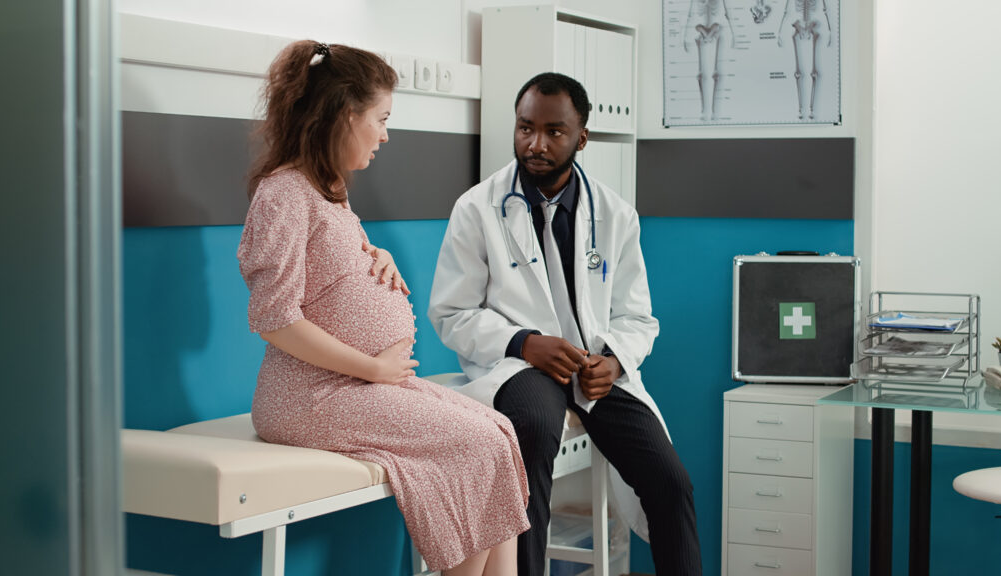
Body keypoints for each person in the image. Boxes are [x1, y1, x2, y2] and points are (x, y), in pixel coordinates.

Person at [237, 40, 529, 576]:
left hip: (356, 387)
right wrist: (374, 366)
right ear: (346, 115)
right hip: (310, 396)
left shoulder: (327, 189)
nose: (386, 135)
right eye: (382, 118)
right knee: (473, 444)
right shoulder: (283, 194)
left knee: (498, 431)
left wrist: (379, 256)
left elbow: (330, 271)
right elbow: (275, 320)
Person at [429, 72, 702, 576]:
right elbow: (452, 313)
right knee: (531, 431)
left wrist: (615, 359)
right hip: (518, 366)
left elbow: (638, 316)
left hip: (595, 369)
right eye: (525, 128)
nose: (535, 144)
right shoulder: (476, 209)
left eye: (554, 131)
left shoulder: (616, 215)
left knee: (671, 481)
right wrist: (525, 342)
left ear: (582, 137)